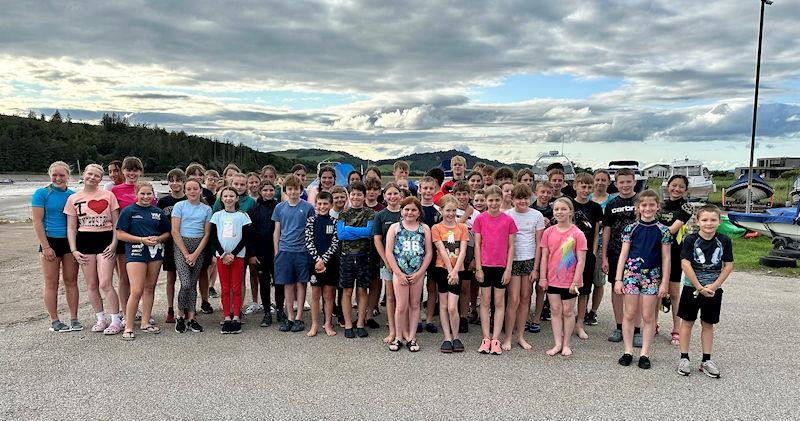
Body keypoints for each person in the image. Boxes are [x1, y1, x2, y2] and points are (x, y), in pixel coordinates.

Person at [614, 190, 671, 369]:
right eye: (644, 205)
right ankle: (628, 350)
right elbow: (623, 255)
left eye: (651, 205)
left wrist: (664, 283)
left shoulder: (663, 230)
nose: (648, 208)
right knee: (629, 314)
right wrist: (618, 279)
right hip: (631, 275)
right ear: (638, 207)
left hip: (652, 277)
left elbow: (666, 258)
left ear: (657, 207)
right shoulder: (631, 229)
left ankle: (645, 353)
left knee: (648, 315)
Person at [676, 205, 733, 378]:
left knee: (708, 324)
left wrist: (714, 286)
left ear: (719, 221)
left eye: (713, 220)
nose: (709, 223)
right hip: (691, 288)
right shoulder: (690, 240)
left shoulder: (724, 240)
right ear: (698, 221)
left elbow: (728, 265)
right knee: (687, 322)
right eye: (705, 220)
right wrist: (699, 287)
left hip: (713, 290)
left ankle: (706, 360)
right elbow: (685, 263)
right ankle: (684, 357)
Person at [64, 164, 121, 335]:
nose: (92, 177)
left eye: (97, 175)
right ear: (84, 174)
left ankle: (115, 320)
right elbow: (72, 227)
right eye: (90, 174)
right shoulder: (74, 198)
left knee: (105, 283)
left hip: (105, 240)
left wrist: (114, 243)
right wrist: (73, 249)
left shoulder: (108, 195)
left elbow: (117, 223)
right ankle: (100, 318)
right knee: (91, 284)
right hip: (84, 241)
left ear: (101, 178)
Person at [116, 182, 171, 340]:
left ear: (153, 195)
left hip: (155, 252)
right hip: (135, 252)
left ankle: (146, 322)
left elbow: (167, 233)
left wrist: (158, 238)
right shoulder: (129, 211)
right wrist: (140, 239)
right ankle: (128, 326)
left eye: (149, 194)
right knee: (136, 290)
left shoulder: (158, 212)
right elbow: (120, 234)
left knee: (150, 287)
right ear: (136, 194)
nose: (146, 197)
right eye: (143, 194)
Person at [32, 161, 79, 332]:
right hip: (50, 241)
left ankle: (74, 319)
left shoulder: (73, 196)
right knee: (51, 282)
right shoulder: (42, 193)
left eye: (62, 175)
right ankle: (55, 320)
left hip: (69, 242)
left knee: (71, 281)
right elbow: (37, 221)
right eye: (55, 175)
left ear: (68, 176)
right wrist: (45, 247)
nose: (58, 178)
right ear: (50, 175)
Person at [539, 198, 587, 357]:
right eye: (557, 209)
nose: (559, 212)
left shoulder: (577, 234)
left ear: (570, 211)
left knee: (568, 311)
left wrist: (576, 281)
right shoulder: (548, 232)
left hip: (570, 280)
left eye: (563, 209)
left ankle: (566, 344)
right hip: (552, 279)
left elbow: (581, 260)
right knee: (555, 310)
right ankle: (557, 343)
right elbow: (544, 256)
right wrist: (543, 277)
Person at [473, 185, 517, 355]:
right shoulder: (480, 219)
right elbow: (477, 243)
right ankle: (486, 338)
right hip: (485, 265)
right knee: (484, 302)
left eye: (496, 200)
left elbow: (512, 246)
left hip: (501, 266)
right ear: (485, 201)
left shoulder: (508, 220)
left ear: (502, 200)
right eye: (490, 200)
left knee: (499, 303)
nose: (493, 203)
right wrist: (478, 267)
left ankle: (496, 339)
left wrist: (508, 269)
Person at [385, 196, 433, 352]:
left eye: (413, 209)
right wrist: (398, 273)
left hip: (417, 274)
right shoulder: (395, 228)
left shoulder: (424, 228)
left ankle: (412, 337)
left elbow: (428, 253)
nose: (410, 212)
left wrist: (420, 272)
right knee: (401, 306)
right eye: (406, 209)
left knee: (414, 305)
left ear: (419, 212)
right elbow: (389, 252)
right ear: (401, 210)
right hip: (400, 274)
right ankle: (398, 337)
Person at [601, 168, 640, 345]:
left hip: (638, 253)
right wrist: (604, 256)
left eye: (628, 181)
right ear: (616, 184)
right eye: (621, 182)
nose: (625, 185)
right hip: (615, 252)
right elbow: (606, 229)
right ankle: (619, 326)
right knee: (617, 290)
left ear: (634, 182)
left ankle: (637, 329)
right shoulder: (612, 204)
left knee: (636, 291)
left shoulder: (641, 201)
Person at [504, 183, 545, 351]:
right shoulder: (507, 215)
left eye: (526, 198)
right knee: (513, 299)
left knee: (525, 298)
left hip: (529, 260)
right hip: (513, 260)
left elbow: (539, 244)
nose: (522, 201)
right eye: (519, 198)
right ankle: (508, 337)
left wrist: (536, 268)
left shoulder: (537, 216)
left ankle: (520, 336)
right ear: (512, 199)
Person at [272, 175, 315, 333]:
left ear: (301, 190)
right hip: (285, 251)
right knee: (288, 284)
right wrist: (277, 251)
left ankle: (298, 317)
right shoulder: (280, 208)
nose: (293, 192)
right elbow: (277, 231)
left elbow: (311, 231)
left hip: (302, 251)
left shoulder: (308, 207)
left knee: (301, 283)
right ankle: (289, 316)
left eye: (296, 189)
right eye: (290, 189)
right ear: (285, 191)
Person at [111, 156, 150, 323]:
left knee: (143, 279)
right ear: (123, 171)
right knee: (124, 278)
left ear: (140, 172)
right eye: (128, 170)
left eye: (135, 170)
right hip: (124, 237)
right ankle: (126, 312)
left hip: (144, 237)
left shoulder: (145, 189)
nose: (132, 173)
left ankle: (139, 311)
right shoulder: (115, 190)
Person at [171, 179, 212, 334]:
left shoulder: (206, 209)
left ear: (200, 190)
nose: (192, 192)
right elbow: (175, 231)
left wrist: (195, 253)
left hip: (198, 246)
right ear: (185, 191)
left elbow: (207, 233)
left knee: (193, 284)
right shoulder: (179, 206)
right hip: (181, 246)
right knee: (186, 283)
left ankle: (191, 318)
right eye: (189, 189)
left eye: (195, 189)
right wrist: (186, 253)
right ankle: (180, 315)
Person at [209, 187, 251, 334]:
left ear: (236, 198)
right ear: (221, 199)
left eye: (231, 196)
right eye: (225, 196)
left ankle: (237, 316)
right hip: (222, 257)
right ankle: (227, 316)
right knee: (225, 288)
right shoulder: (217, 216)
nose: (228, 198)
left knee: (236, 287)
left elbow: (246, 238)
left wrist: (233, 253)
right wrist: (223, 254)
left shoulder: (242, 216)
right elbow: (213, 237)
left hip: (237, 257)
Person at [336, 181, 375, 339]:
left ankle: (360, 323)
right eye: (353, 194)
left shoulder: (370, 213)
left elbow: (369, 232)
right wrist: (359, 231)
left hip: (364, 256)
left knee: (362, 291)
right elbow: (341, 235)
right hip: (346, 257)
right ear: (349, 196)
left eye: (359, 194)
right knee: (347, 291)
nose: (356, 197)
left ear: (364, 196)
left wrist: (349, 229)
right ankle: (348, 324)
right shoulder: (343, 214)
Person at [657, 174, 693, 346]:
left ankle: (676, 329)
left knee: (674, 292)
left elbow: (672, 229)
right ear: (667, 186)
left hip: (675, 252)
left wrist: (650, 234)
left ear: (685, 190)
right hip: (655, 252)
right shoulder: (660, 205)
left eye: (681, 187)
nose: (676, 189)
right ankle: (653, 324)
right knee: (654, 292)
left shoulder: (686, 207)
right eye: (674, 185)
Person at [431, 195, 468, 353]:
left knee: (453, 307)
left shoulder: (462, 228)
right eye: (448, 210)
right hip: (442, 269)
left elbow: (463, 251)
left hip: (457, 270)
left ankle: (456, 336)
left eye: (454, 210)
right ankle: (447, 337)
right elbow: (441, 250)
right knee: (444, 305)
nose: (451, 214)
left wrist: (455, 271)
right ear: (441, 210)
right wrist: (449, 270)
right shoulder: (436, 228)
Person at [570, 173, 603, 340]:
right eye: (583, 186)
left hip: (587, 252)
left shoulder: (595, 208)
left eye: (589, 187)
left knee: (584, 290)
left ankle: (580, 322)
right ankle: (566, 320)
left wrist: (594, 252)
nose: (586, 190)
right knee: (567, 288)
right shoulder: (569, 204)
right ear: (576, 186)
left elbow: (596, 233)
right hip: (569, 253)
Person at [304, 191, 340, 337]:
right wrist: (317, 260)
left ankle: (327, 323)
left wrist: (324, 260)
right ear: (316, 205)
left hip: (330, 263)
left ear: (330, 205)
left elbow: (335, 243)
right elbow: (308, 241)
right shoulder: (311, 221)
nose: (322, 206)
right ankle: (314, 324)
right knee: (315, 295)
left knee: (329, 295)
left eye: (325, 204)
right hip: (314, 263)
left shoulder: (335, 222)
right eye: (319, 203)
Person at [373, 183, 404, 347]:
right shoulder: (380, 215)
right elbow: (377, 239)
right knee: (391, 297)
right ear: (384, 197)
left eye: (395, 193)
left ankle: (404, 329)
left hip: (406, 263)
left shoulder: (405, 213)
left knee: (404, 298)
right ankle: (392, 330)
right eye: (389, 194)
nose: (392, 196)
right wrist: (386, 259)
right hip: (387, 263)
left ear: (400, 195)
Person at [248, 180, 281, 327]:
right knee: (264, 283)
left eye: (271, 190)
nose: (268, 193)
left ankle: (280, 310)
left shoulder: (279, 207)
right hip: (261, 252)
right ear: (260, 191)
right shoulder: (254, 209)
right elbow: (250, 233)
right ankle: (267, 311)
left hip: (277, 251)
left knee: (279, 282)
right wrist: (252, 254)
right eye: (265, 190)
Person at [157, 168, 186, 324]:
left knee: (186, 278)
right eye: (172, 180)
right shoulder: (163, 202)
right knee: (171, 277)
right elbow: (158, 222)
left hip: (187, 242)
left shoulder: (189, 199)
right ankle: (170, 308)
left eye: (178, 180)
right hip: (169, 243)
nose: (175, 183)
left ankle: (186, 306)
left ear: (183, 181)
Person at [586, 169, 615, 326]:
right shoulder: (587, 198)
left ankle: (593, 311)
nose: (600, 182)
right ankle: (582, 309)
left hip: (602, 245)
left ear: (609, 182)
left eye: (604, 180)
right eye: (597, 179)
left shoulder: (612, 201)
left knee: (598, 280)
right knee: (584, 280)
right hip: (586, 244)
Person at [529, 181, 555, 332]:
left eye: (548, 192)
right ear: (536, 192)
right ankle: (526, 316)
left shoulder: (554, 211)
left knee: (541, 287)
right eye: (542, 192)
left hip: (548, 254)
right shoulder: (529, 209)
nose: (545, 195)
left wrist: (550, 225)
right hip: (531, 251)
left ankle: (537, 317)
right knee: (526, 290)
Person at [453, 181, 478, 332]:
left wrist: (475, 258)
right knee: (454, 286)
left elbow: (479, 238)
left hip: (469, 253)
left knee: (465, 287)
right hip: (453, 254)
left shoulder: (477, 214)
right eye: (459, 194)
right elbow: (452, 230)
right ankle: (453, 315)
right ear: (454, 195)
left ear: (470, 195)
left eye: (465, 194)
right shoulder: (450, 210)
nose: (462, 197)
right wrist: (466, 215)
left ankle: (463, 316)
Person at [418, 176, 441, 333]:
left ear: (435, 190)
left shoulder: (438, 211)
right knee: (417, 287)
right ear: (420, 189)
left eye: (430, 188)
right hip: (416, 254)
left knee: (432, 287)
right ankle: (418, 317)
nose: (427, 191)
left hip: (434, 254)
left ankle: (430, 319)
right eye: (424, 188)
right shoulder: (414, 208)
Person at [203, 169, 221, 303]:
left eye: (215, 180)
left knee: (215, 262)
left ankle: (211, 286)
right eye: (210, 180)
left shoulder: (218, 196)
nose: (212, 183)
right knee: (211, 261)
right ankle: (207, 285)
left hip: (218, 230)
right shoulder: (203, 194)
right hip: (206, 230)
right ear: (205, 180)